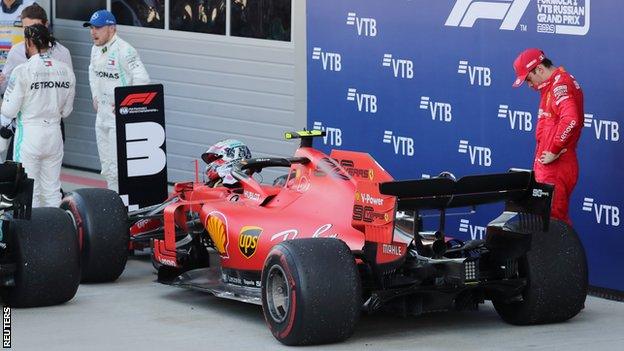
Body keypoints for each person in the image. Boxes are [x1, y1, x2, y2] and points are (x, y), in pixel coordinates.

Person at [0, 24, 75, 207]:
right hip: (54, 133)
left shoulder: (23, 70)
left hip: (29, 134)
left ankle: (31, 235)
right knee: (52, 190)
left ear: (28, 42)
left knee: (27, 190)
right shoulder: (66, 70)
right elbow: (67, 111)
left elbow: (8, 111)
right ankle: (56, 232)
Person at [512, 48, 584, 225]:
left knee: (552, 222)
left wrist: (554, 149)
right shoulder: (551, 84)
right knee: (543, 221)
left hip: (556, 167)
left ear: (540, 69)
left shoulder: (560, 84)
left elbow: (571, 119)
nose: (529, 85)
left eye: (529, 79)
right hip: (549, 166)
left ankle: (561, 253)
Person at [84, 9, 150, 192]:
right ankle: (113, 202)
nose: (93, 32)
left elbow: (142, 79)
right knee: (107, 167)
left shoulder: (125, 50)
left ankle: (126, 207)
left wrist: (126, 103)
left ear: (111, 28)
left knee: (121, 166)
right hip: (102, 117)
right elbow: (92, 73)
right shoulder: (94, 50)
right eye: (91, 28)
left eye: (97, 28)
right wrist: (95, 96)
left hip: (118, 119)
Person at [0, 3, 73, 161]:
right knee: (20, 174)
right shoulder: (16, 51)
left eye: (34, 27)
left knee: (49, 177)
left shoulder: (62, 53)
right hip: (22, 124)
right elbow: (6, 88)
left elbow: (68, 89)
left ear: (46, 25)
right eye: (26, 29)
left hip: (52, 124)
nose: (30, 34)